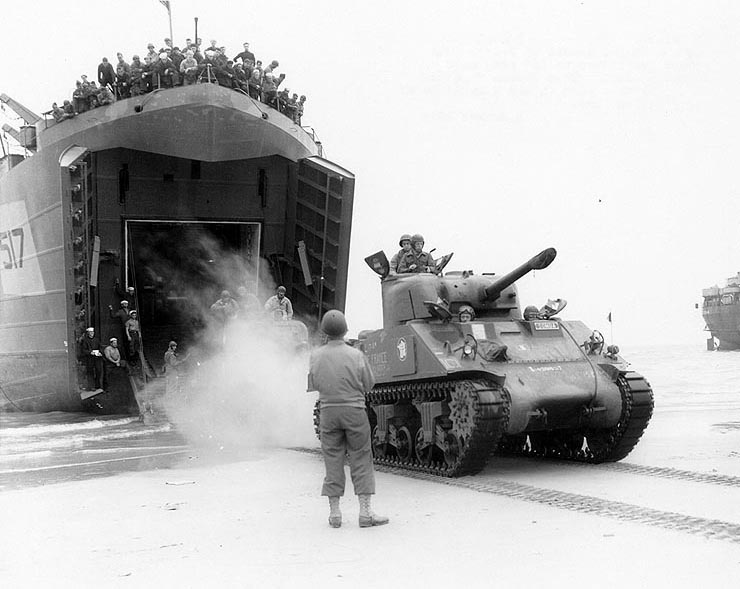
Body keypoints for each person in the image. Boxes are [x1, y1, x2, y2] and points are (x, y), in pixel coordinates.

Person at [308, 310, 388, 528]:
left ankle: (335, 514)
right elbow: (370, 383)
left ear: (324, 332)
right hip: (354, 412)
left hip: (328, 412)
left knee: (332, 460)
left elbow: (313, 384)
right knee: (361, 458)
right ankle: (365, 513)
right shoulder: (356, 355)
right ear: (345, 331)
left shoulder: (315, 355)